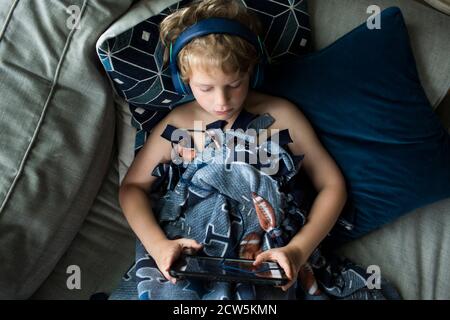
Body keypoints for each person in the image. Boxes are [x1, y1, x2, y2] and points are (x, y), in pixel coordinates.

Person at [118, 0, 347, 297]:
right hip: (191, 259)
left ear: (252, 70)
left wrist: (298, 250)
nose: (222, 101)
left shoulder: (282, 116)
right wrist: (158, 246)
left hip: (264, 260)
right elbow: (132, 187)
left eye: (235, 84)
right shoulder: (179, 124)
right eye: (206, 88)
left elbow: (332, 184)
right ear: (184, 81)